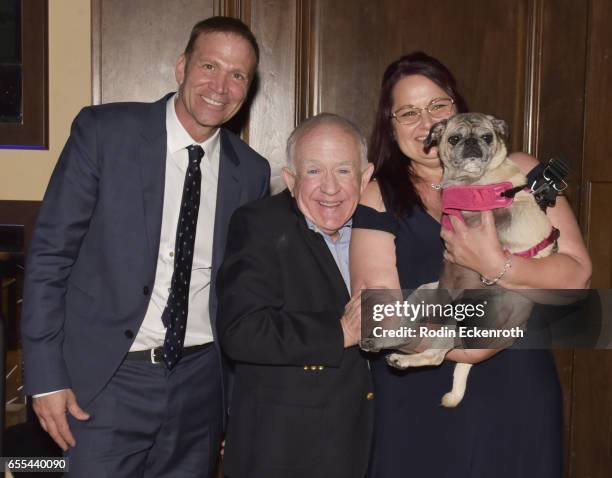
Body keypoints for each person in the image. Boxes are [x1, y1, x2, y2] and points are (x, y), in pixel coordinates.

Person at [22, 16, 270, 477]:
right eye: (209, 66)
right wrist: (45, 376)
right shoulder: (104, 132)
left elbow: (243, 293)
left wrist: (232, 405)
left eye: (238, 75)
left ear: (249, 87)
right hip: (105, 381)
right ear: (181, 67)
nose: (221, 85)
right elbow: (49, 258)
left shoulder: (251, 172)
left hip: (201, 388)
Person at [349, 52, 592, 477]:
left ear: (457, 109)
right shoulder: (377, 196)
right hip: (423, 399)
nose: (425, 122)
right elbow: (379, 316)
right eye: (408, 112)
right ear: (389, 127)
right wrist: (470, 349)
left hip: (519, 392)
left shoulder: (526, 172)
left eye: (437, 105)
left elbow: (576, 276)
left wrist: (497, 266)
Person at [216, 113, 374, 478]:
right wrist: (339, 332)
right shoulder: (259, 224)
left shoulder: (381, 230)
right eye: (314, 171)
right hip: (289, 451)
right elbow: (241, 330)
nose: (330, 188)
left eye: (344, 171)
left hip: (370, 444)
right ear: (290, 180)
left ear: (365, 177)